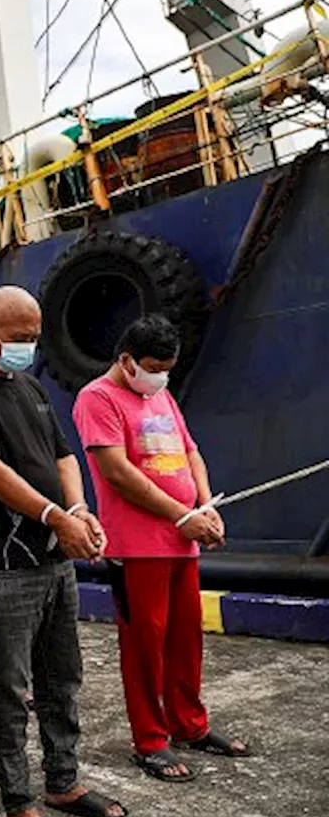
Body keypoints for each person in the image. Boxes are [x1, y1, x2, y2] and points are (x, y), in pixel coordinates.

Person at [0, 285, 130, 817]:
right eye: (18, 339)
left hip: (55, 559)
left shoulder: (30, 387)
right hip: (5, 565)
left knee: (62, 678)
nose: (26, 348)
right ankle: (19, 800)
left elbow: (63, 454)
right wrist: (55, 517)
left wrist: (78, 508)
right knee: (9, 686)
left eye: (33, 339)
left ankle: (63, 780)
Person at [72, 314, 250, 783]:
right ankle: (151, 740)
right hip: (138, 548)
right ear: (126, 360)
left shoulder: (161, 394)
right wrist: (181, 514)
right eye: (153, 366)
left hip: (182, 542)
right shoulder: (97, 398)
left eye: (167, 368)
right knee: (144, 644)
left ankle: (190, 724)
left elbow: (190, 452)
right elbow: (115, 471)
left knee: (186, 639)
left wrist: (205, 506)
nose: (160, 375)